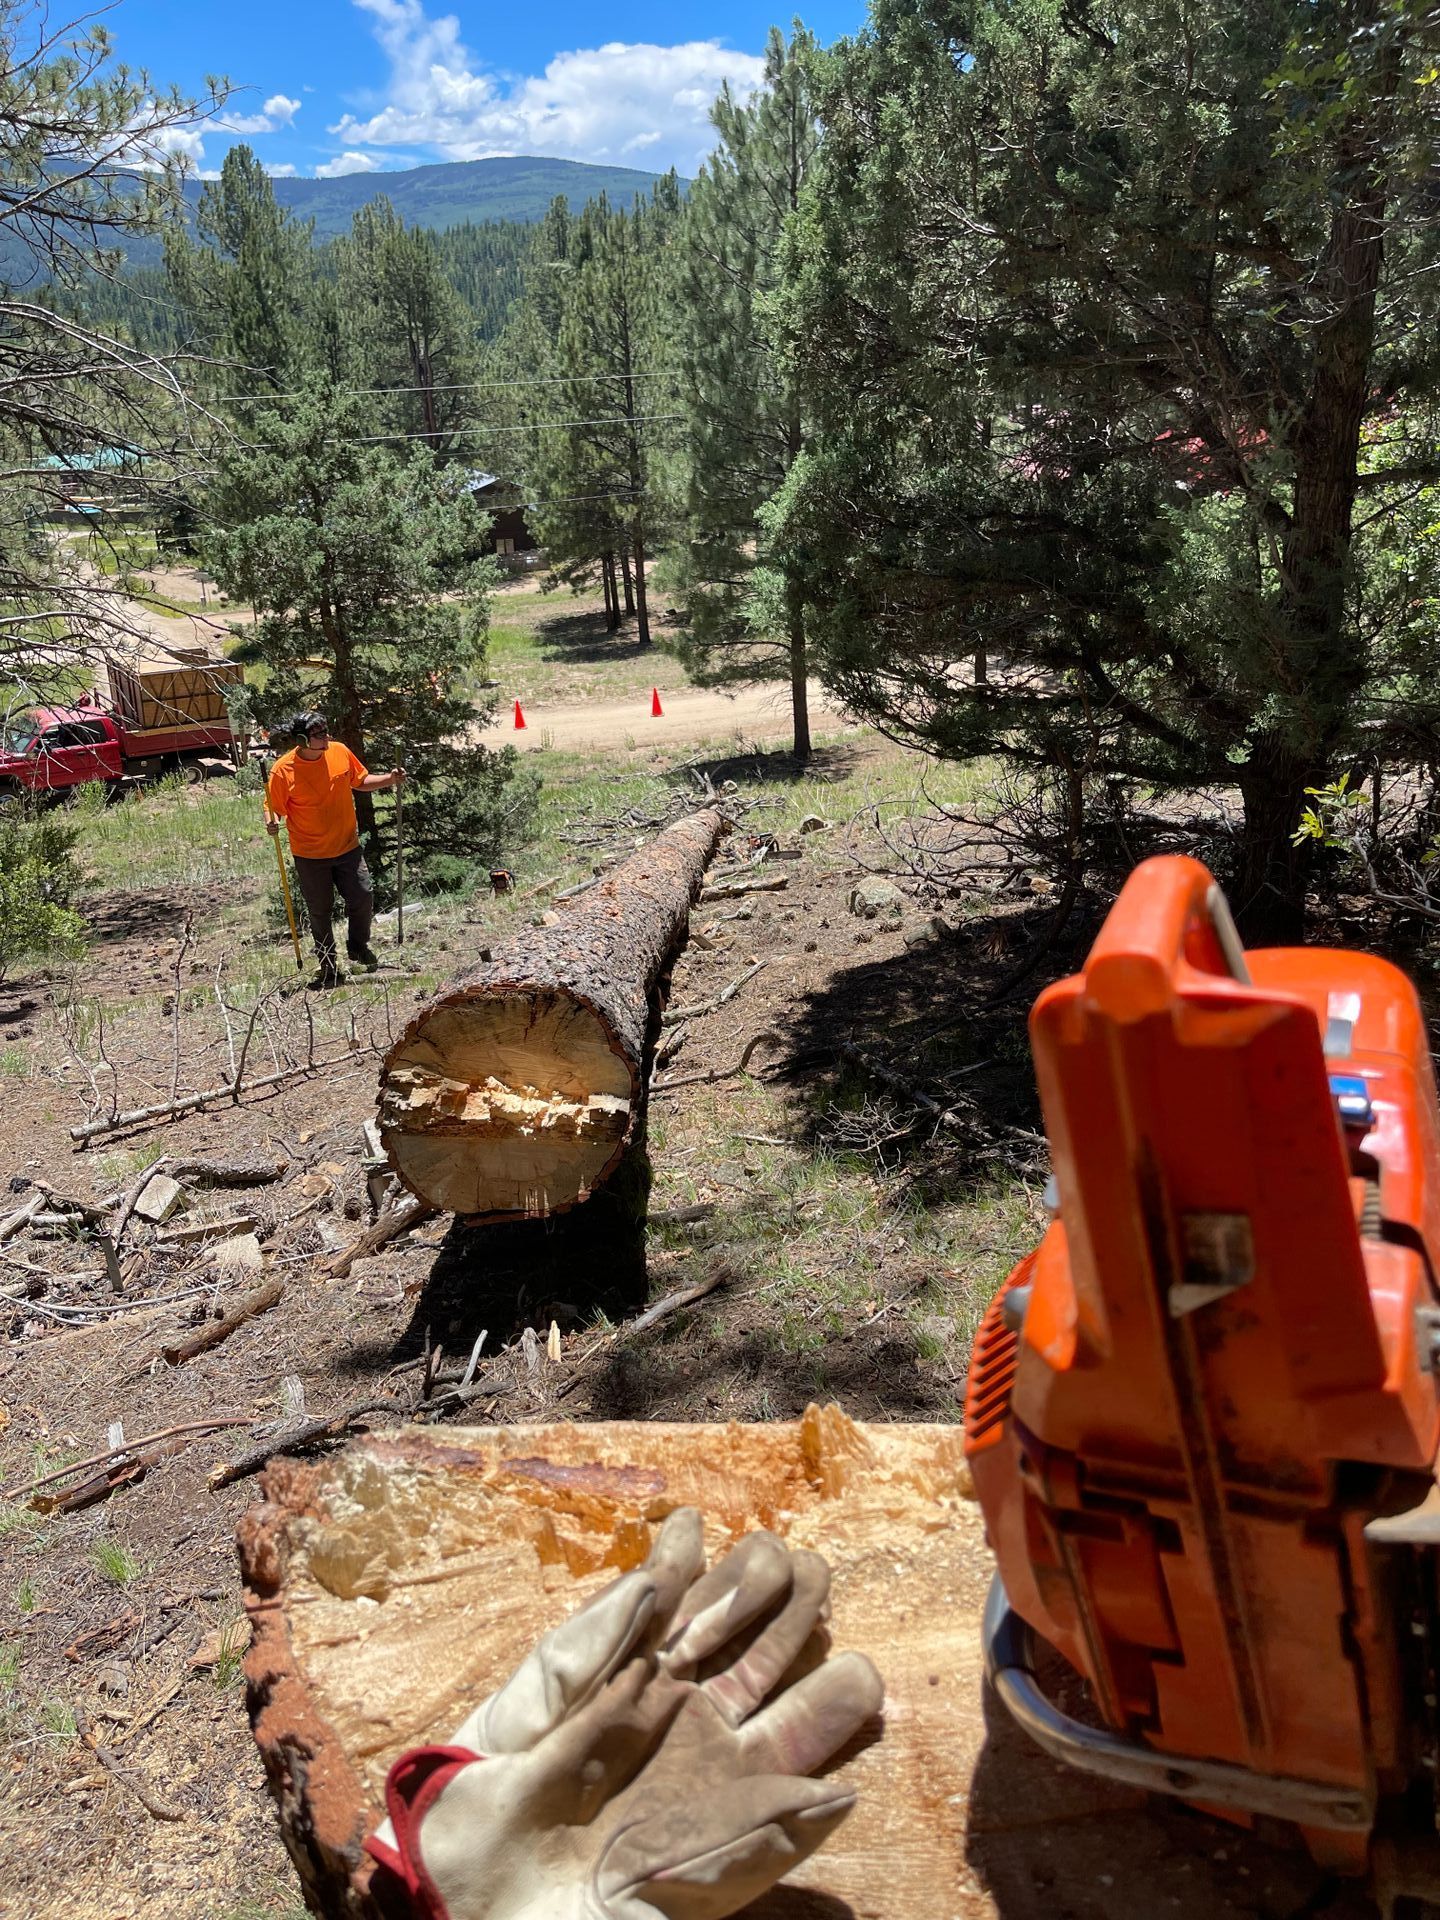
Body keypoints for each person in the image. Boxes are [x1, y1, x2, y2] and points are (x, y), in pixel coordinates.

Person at [265, 712, 404, 988]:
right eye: (320, 734)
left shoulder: (339, 751)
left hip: (347, 847)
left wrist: (390, 778)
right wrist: (271, 822)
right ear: (303, 740)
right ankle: (328, 964)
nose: (327, 737)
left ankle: (357, 946)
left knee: (363, 895)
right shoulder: (283, 770)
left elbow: (360, 781)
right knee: (320, 911)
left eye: (327, 731)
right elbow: (272, 807)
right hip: (310, 854)